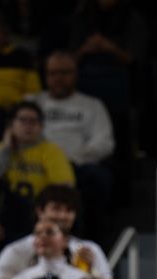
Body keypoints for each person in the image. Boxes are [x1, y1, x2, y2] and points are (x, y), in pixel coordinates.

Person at [29, 51, 115, 246]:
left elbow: (104, 143)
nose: (58, 78)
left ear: (76, 74)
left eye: (65, 73)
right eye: (53, 73)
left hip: (79, 167)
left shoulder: (92, 105)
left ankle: (90, 241)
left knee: (98, 176)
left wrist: (69, 160)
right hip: (38, 165)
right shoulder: (34, 102)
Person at [0, 184, 110, 279]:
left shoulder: (90, 250)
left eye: (69, 210)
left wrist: (92, 273)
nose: (62, 216)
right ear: (40, 211)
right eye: (57, 209)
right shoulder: (16, 251)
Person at [0, 101, 76, 201]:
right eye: (23, 120)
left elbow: (65, 187)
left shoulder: (52, 151)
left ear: (41, 127)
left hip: (38, 208)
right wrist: (6, 150)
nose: (28, 126)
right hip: (2, 208)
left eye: (33, 121)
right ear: (11, 125)